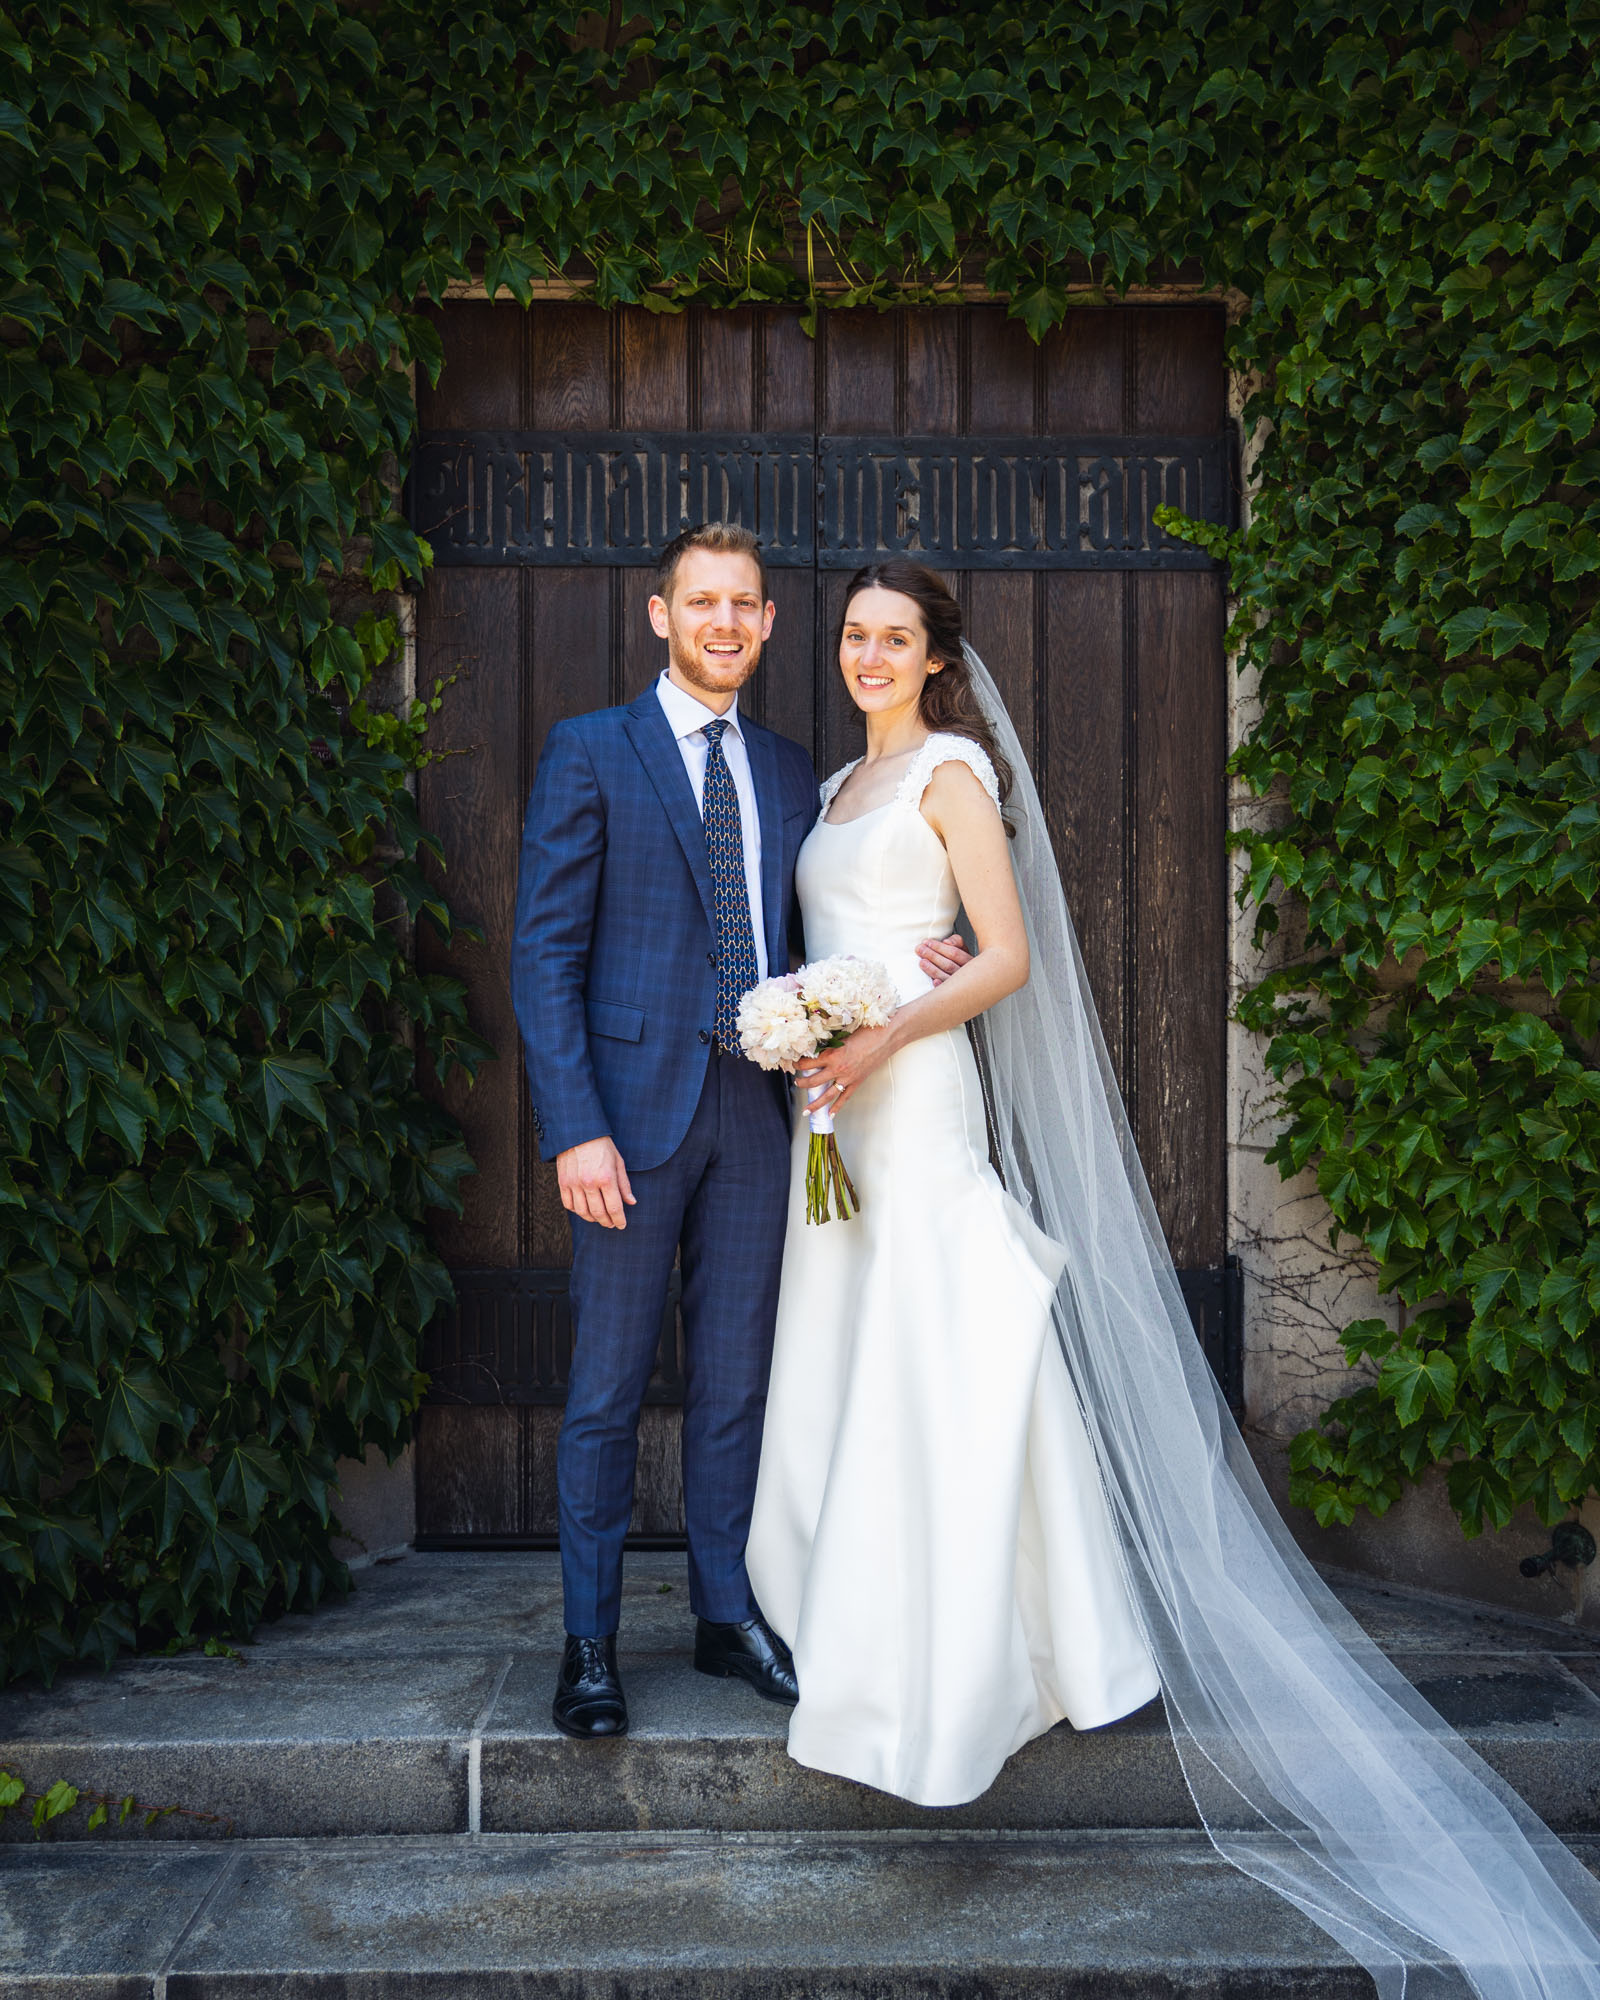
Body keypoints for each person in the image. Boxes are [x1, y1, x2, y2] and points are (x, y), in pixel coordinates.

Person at [747, 557, 1600, 1999]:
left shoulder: (952, 771)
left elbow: (1004, 957)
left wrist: (880, 1029)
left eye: (895, 637)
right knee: (855, 1350)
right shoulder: (834, 791)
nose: (868, 654)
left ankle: (990, 1645)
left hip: (915, 1094)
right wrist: (811, 1033)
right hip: (835, 1115)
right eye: (852, 635)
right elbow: (855, 940)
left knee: (948, 1353)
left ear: (939, 657)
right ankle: (845, 1607)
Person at [510, 524, 966, 1740]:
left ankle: (725, 1613)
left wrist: (934, 954)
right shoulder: (590, 752)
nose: (724, 622)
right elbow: (544, 956)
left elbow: (823, 927)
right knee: (606, 1388)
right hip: (628, 1125)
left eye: (745, 606)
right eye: (700, 602)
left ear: (767, 626)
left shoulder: (787, 770)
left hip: (760, 1117)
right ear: (661, 617)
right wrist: (574, 1130)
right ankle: (591, 1641)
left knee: (734, 1386)